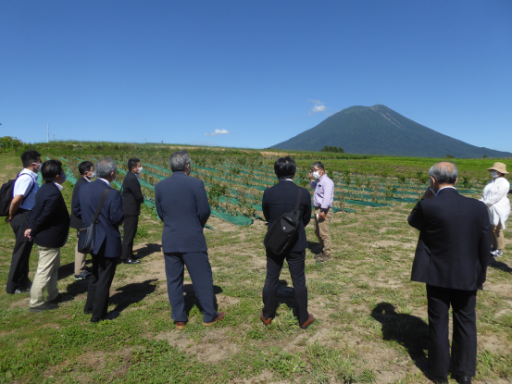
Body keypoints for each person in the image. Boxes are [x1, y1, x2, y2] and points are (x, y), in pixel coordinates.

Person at [408, 162, 491, 384]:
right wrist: (480, 273)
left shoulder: (429, 206)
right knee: (466, 320)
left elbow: (412, 220)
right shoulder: (478, 207)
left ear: (433, 181)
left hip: (437, 274)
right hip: (467, 274)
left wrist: (428, 193)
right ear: (456, 179)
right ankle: (464, 373)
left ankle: (438, 373)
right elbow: (485, 244)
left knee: (438, 321)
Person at [155, 150, 224, 330]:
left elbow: (161, 213)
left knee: (174, 279)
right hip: (192, 238)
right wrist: (196, 225)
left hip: (170, 238)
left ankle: (179, 318)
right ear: (187, 166)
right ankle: (209, 315)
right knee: (202, 277)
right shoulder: (196, 184)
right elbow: (204, 211)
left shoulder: (160, 186)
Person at [261, 156, 314, 329]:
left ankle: (268, 315)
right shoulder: (303, 193)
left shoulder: (268, 192)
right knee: (298, 280)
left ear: (276, 172)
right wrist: (294, 229)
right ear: (294, 171)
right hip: (296, 242)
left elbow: (268, 216)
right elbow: (305, 218)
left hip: (275, 241)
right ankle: (303, 318)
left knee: (271, 277)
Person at [72, 158, 124, 323]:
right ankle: (99, 314)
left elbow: (76, 209)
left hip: (91, 237)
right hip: (108, 239)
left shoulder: (85, 188)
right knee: (104, 278)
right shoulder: (113, 193)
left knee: (95, 273)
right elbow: (116, 218)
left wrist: (89, 221)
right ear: (112, 173)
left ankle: (89, 306)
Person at [25, 160, 73, 312]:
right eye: (62, 173)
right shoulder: (52, 193)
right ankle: (36, 302)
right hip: (49, 238)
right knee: (44, 270)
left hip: (49, 237)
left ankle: (53, 295)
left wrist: (32, 226)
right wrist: (32, 228)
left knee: (53, 268)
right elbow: (44, 216)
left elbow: (36, 211)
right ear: (58, 176)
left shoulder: (45, 188)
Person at [5, 150, 41, 294]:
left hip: (27, 215)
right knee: (20, 251)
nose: (40, 164)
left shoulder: (30, 176)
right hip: (23, 216)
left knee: (25, 250)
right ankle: (12, 286)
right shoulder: (27, 178)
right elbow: (16, 200)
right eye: (39, 161)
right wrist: (11, 215)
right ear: (33, 163)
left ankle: (23, 280)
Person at [69, 161, 95, 280]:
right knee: (81, 245)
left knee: (84, 243)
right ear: (86, 172)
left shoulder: (83, 183)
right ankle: (79, 271)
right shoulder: (82, 185)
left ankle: (82, 267)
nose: (94, 172)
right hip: (81, 220)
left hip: (81, 219)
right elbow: (78, 206)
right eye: (92, 170)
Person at [481, 162, 510, 258]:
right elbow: (486, 195)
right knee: (491, 228)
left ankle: (500, 249)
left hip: (499, 208)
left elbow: (496, 196)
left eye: (495, 170)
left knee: (497, 228)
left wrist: (485, 203)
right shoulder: (491, 182)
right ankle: (494, 247)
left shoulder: (504, 183)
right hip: (490, 207)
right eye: (492, 170)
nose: (493, 172)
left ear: (500, 172)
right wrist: (480, 202)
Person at [308, 161, 334, 263]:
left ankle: (327, 255)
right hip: (318, 209)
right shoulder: (319, 181)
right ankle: (322, 251)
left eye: (315, 170)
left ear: (322, 170)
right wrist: (311, 179)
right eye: (313, 171)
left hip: (324, 210)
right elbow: (315, 187)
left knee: (323, 233)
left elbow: (326, 198)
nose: (314, 172)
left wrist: (323, 210)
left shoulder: (327, 182)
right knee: (317, 231)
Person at [121, 158, 144, 265]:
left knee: (132, 232)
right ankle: (126, 257)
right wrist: (142, 199)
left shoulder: (132, 176)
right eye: (139, 166)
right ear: (133, 168)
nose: (140, 168)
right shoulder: (131, 179)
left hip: (131, 209)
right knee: (129, 234)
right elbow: (138, 195)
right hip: (130, 210)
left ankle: (130, 253)